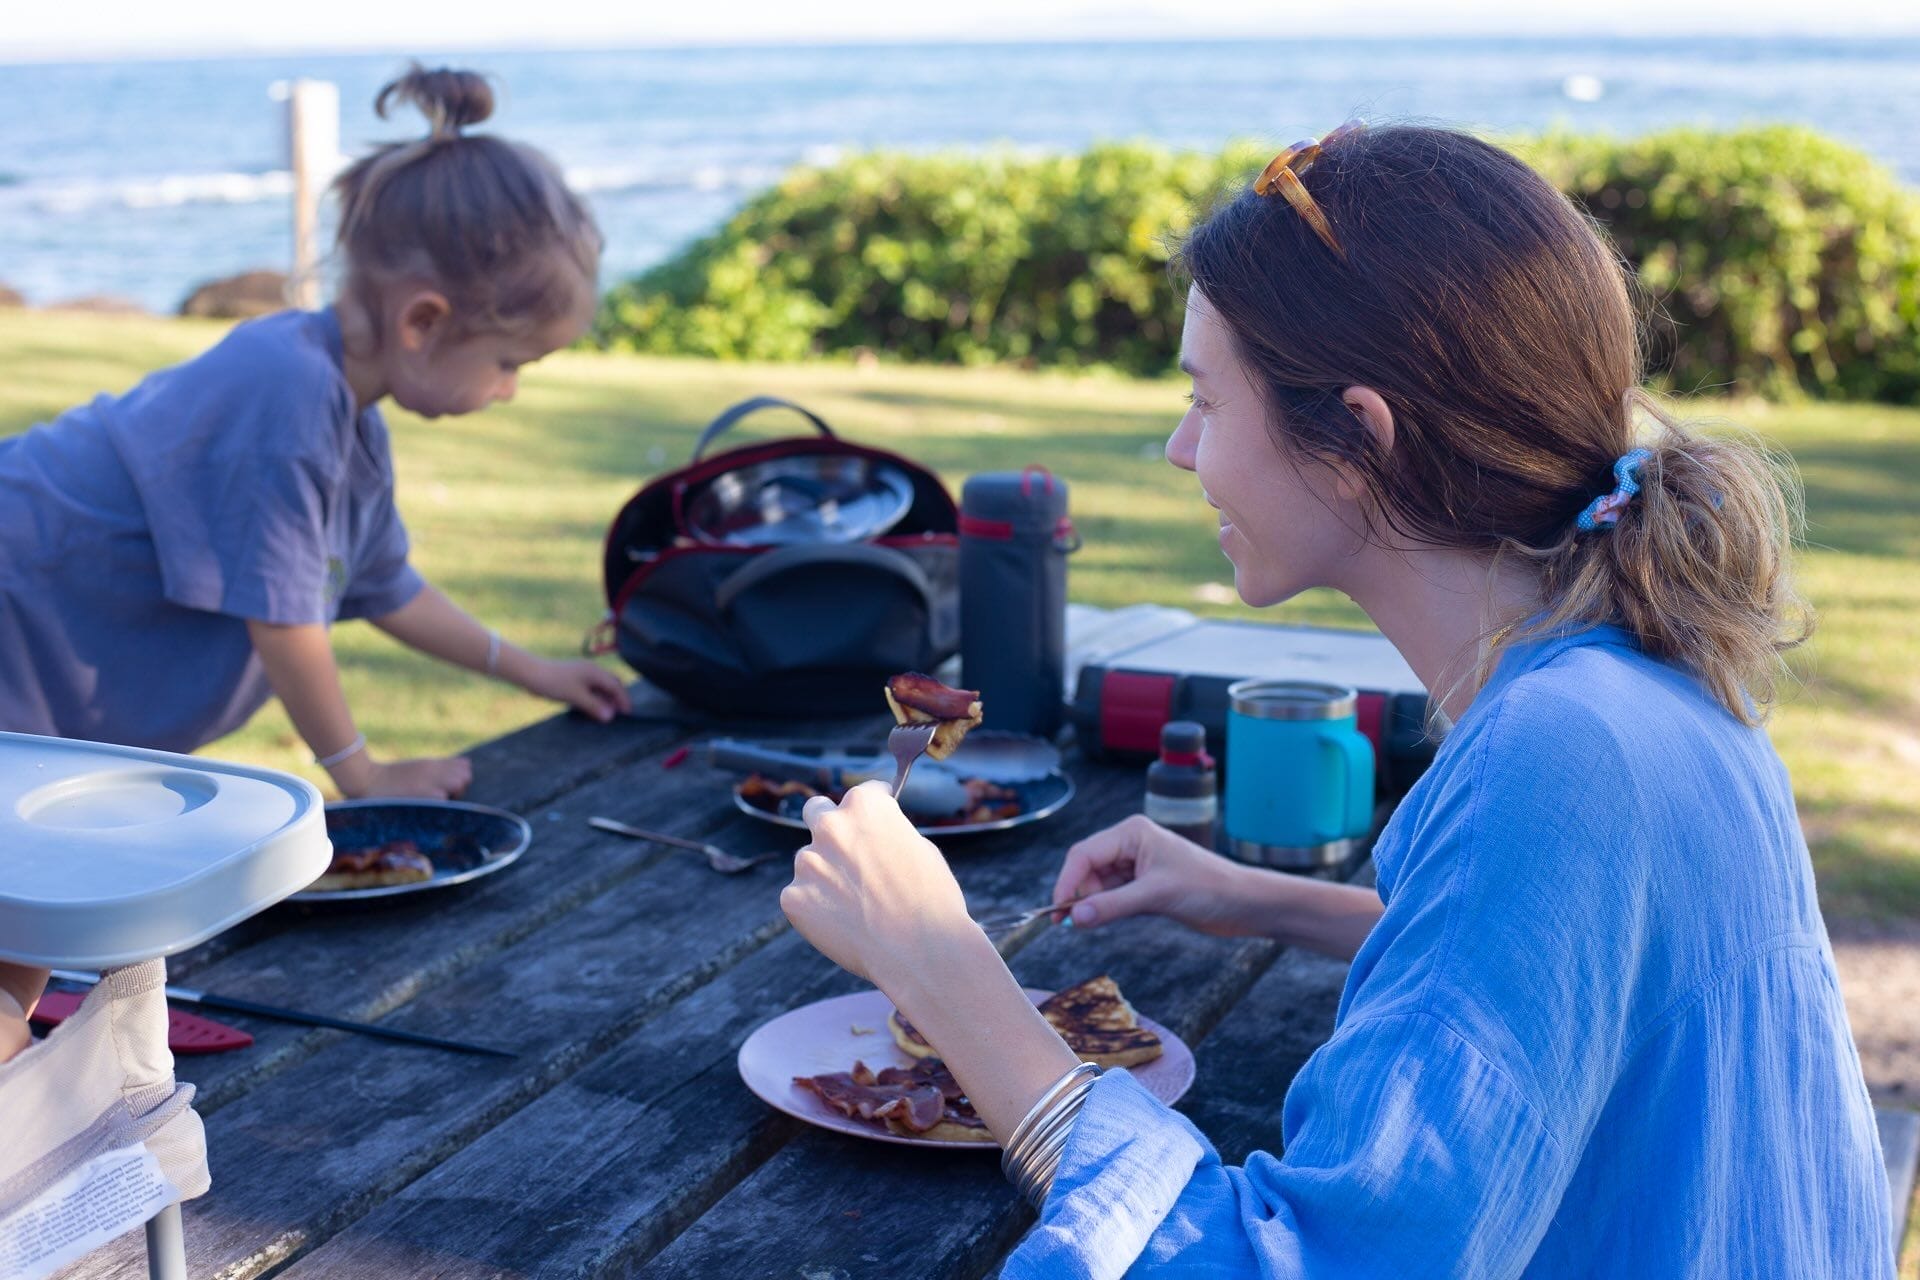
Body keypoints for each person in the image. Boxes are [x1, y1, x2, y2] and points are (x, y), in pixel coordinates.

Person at [779, 122, 1894, 1276]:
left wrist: (938, 963)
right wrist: (1268, 899)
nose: (1179, 446)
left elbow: (1302, 1259)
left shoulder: (1557, 757)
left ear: (1358, 438)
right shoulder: (1640, 674)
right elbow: (1574, 978)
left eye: (1207, 401)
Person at [0, 66, 630, 798]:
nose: (509, 390)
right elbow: (285, 622)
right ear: (423, 322)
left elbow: (388, 588)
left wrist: (537, 671)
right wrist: (362, 774)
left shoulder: (347, 421)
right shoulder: (286, 394)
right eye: (508, 362)